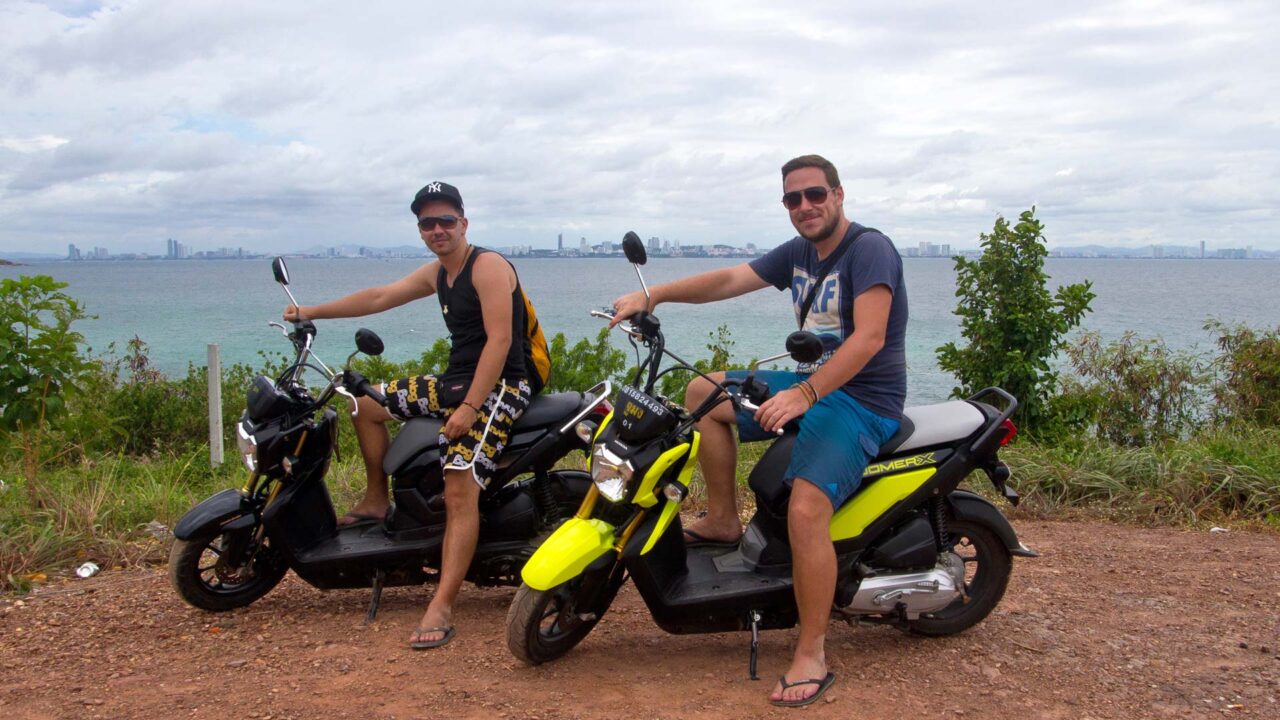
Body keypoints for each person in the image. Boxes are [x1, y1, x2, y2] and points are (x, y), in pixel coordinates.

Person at [611, 154, 907, 707]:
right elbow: (729, 278)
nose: (805, 207)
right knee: (702, 393)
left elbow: (868, 340)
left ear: (839, 195)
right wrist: (655, 295)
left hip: (861, 398)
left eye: (815, 194)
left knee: (805, 508)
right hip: (809, 381)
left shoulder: (870, 250)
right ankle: (724, 520)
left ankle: (812, 651)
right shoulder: (799, 253)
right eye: (793, 199)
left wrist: (805, 394)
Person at [282, 181, 540, 650]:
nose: (437, 229)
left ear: (464, 223)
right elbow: (381, 297)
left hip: (502, 385)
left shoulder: (489, 267)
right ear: (420, 230)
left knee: (459, 483)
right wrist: (309, 311)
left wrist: (469, 408)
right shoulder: (439, 273)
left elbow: (500, 343)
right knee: (363, 403)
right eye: (427, 223)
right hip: (457, 380)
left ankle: (441, 602)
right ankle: (377, 500)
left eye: (446, 220)